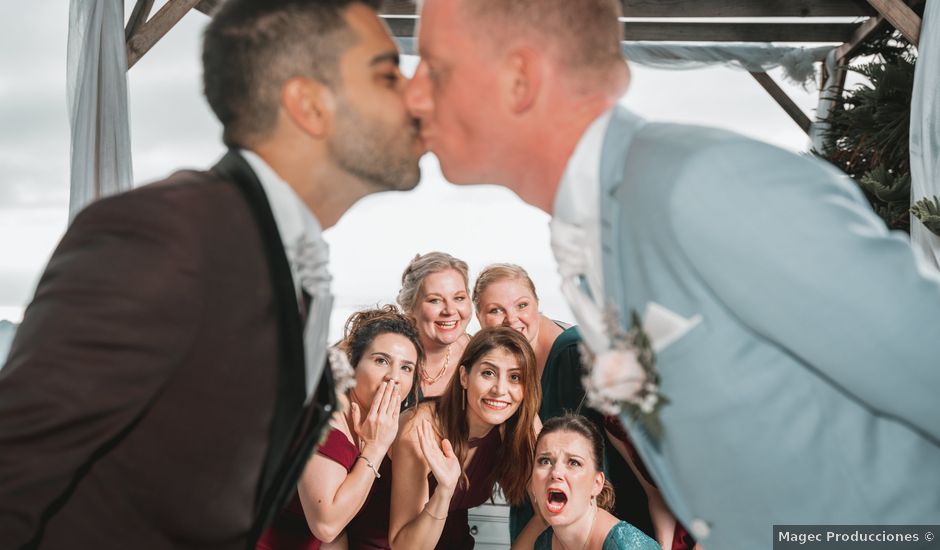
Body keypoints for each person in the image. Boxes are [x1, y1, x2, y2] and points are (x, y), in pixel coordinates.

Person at [405, 0, 940, 548]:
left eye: (435, 66)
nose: (412, 92)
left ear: (520, 77)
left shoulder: (700, 186)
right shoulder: (599, 235)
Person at [0, 1, 422, 548]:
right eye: (388, 75)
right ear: (309, 104)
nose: (416, 96)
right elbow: (16, 479)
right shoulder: (163, 235)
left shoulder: (290, 262)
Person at [472, 264, 654, 543]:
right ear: (479, 317)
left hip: (595, 505)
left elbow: (622, 444)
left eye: (522, 305)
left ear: (537, 303)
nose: (512, 319)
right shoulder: (496, 358)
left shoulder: (576, 353)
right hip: (537, 498)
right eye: (496, 310)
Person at [258, 306, 423, 550]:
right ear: (352, 365)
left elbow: (337, 532)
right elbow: (326, 526)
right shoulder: (324, 419)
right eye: (381, 360)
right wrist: (376, 448)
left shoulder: (369, 422)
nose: (394, 377)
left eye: (406, 367)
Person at [387, 327, 540, 550]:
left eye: (515, 377)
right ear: (464, 377)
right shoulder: (421, 429)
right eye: (488, 373)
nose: (500, 390)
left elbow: (548, 509)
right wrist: (445, 490)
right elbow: (404, 546)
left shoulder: (517, 423)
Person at [517, 414, 659, 550]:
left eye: (573, 462)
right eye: (545, 461)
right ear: (533, 485)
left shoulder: (626, 546)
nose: (555, 472)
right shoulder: (544, 543)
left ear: (597, 483)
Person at [396, 252, 472, 398]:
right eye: (435, 300)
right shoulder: (386, 353)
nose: (449, 310)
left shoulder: (478, 355)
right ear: (410, 306)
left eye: (459, 298)